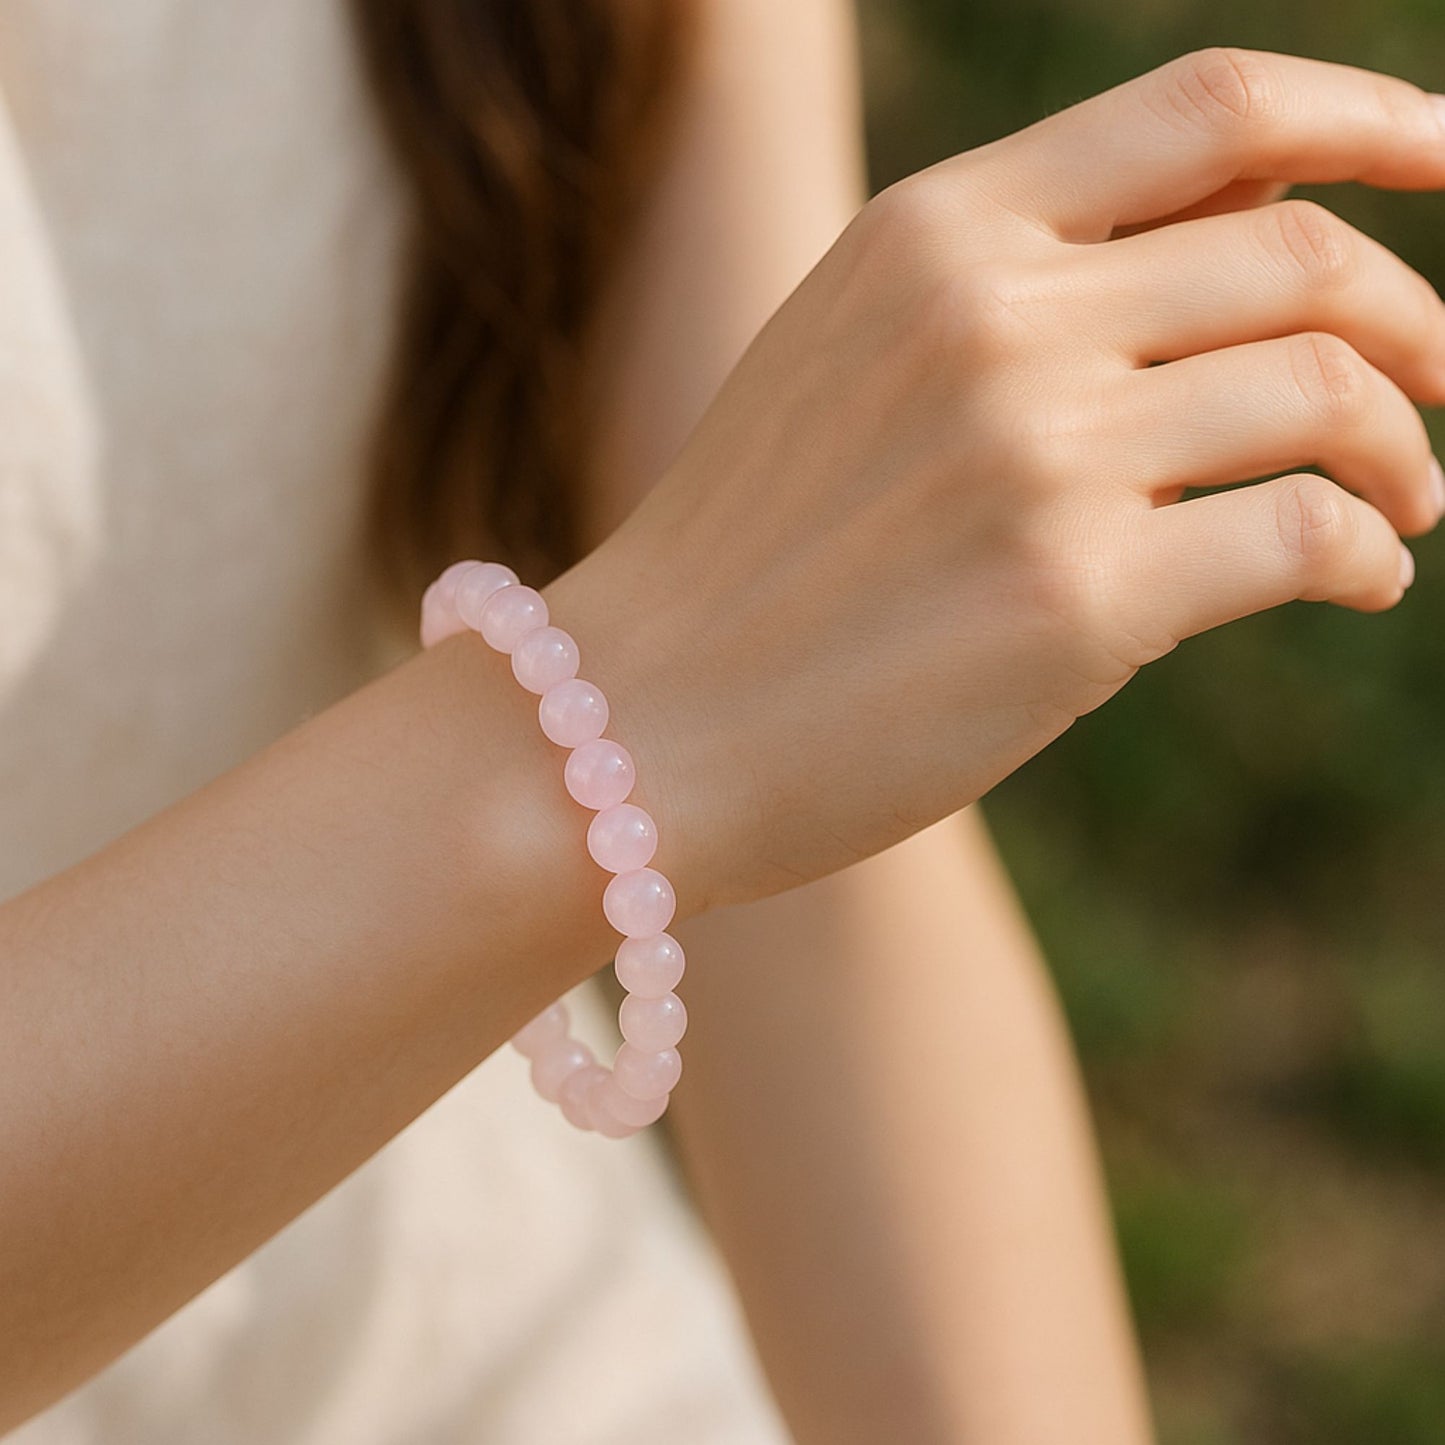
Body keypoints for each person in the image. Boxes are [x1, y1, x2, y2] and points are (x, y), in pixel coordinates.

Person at [1, 1, 1439, 1438]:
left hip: (516, 1364)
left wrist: (717, 688)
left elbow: (815, 863)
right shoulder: (625, 735)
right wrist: (616, 722)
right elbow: (725, 706)